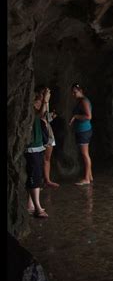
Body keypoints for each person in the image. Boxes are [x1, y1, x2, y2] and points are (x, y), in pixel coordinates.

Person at [25, 87, 50, 218]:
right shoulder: (30, 110)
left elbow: (42, 115)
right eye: (38, 100)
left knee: (36, 176)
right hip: (32, 148)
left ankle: (30, 204)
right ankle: (38, 209)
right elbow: (39, 114)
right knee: (35, 178)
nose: (40, 103)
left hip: (38, 147)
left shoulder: (36, 110)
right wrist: (45, 101)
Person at [69, 83, 93, 185]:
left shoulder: (84, 101)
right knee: (85, 154)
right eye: (72, 93)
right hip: (82, 130)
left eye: (75, 92)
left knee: (85, 154)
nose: (73, 94)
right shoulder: (80, 101)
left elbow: (88, 116)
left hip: (84, 130)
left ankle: (86, 179)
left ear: (81, 91)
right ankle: (90, 176)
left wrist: (75, 117)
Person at [39, 86, 60, 188]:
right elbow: (41, 117)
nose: (47, 95)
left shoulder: (46, 103)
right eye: (45, 93)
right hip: (40, 135)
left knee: (47, 158)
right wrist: (45, 101)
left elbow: (46, 119)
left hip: (48, 134)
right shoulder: (37, 103)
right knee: (39, 159)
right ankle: (40, 181)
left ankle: (47, 180)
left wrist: (51, 116)